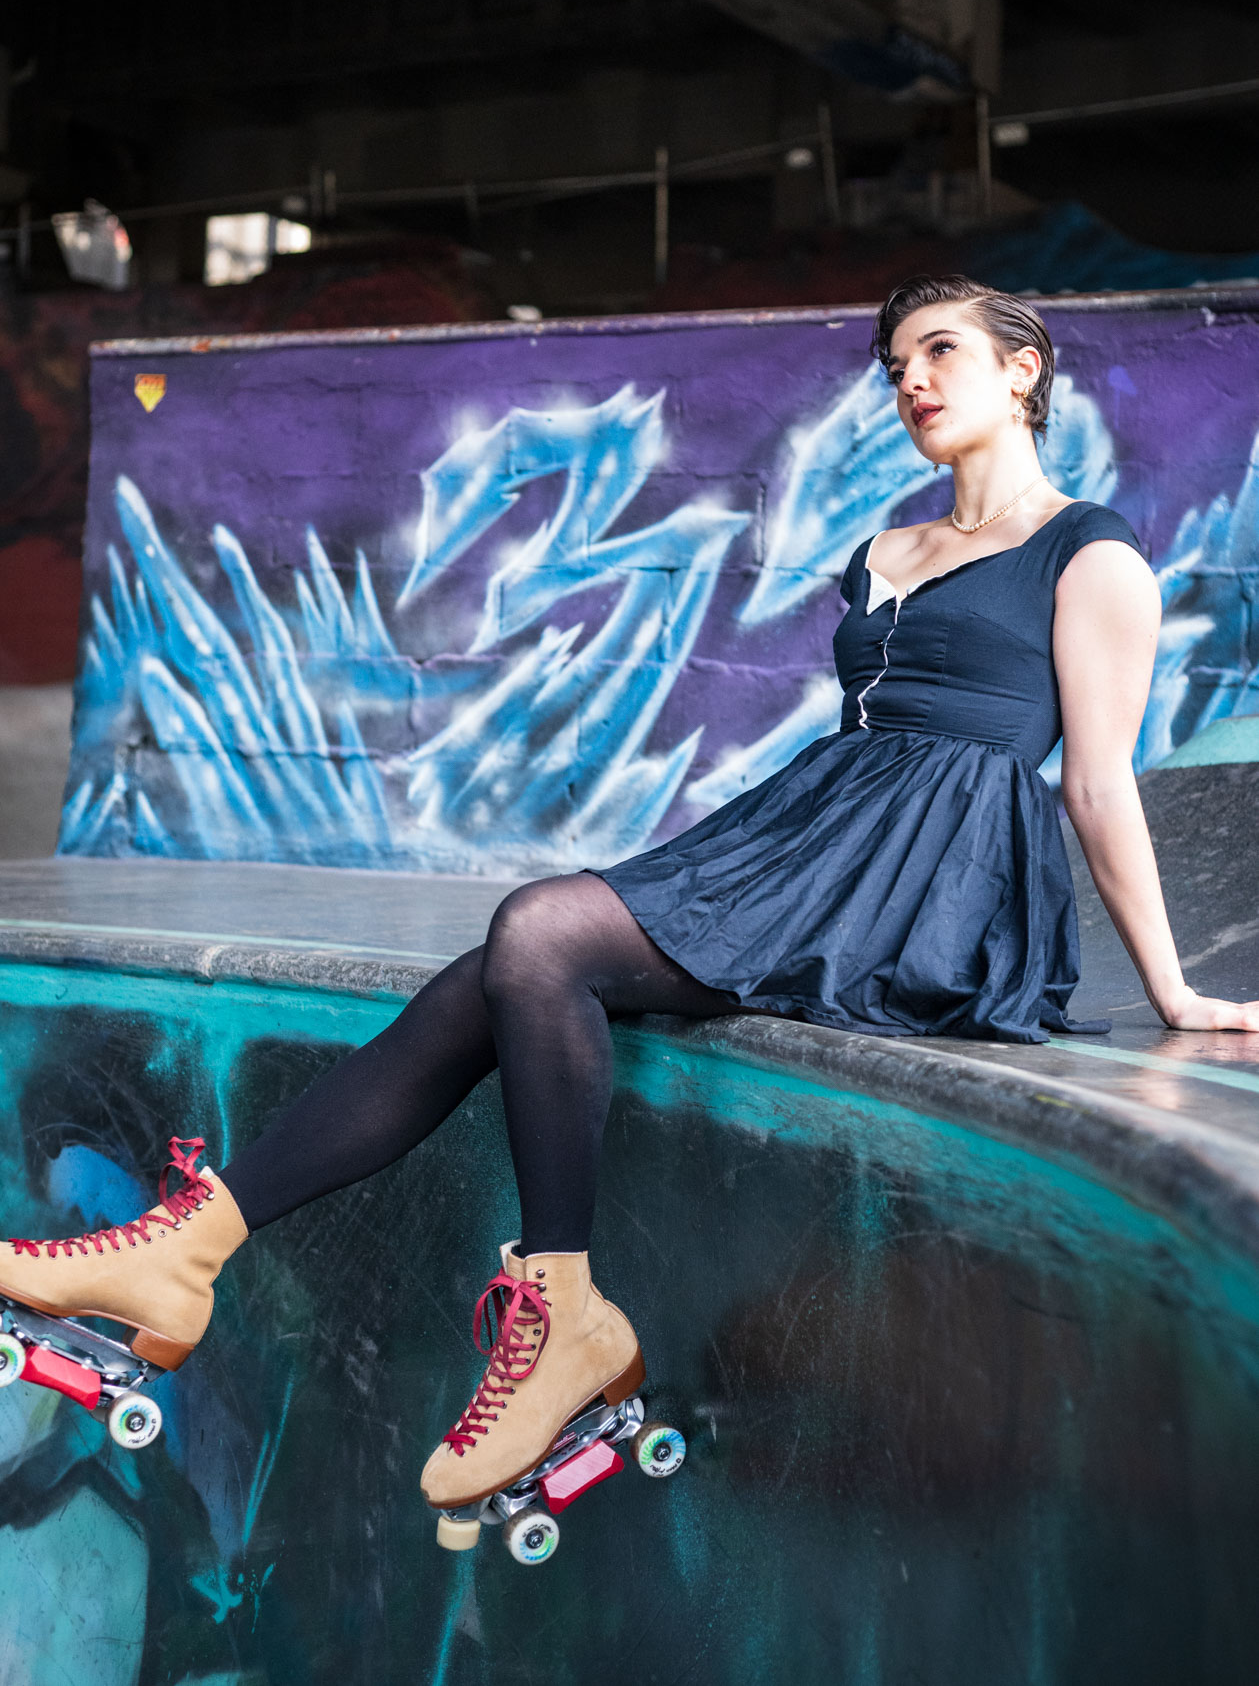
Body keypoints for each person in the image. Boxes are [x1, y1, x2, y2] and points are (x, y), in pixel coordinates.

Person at [4, 276, 1256, 1517]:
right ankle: (191, 1247)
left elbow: (1095, 780)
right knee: (495, 975)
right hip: (813, 831)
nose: (911, 381)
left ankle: (558, 1311)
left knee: (541, 933)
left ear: (1021, 369)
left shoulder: (1089, 555)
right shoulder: (884, 551)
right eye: (893, 366)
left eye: (938, 352)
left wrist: (1170, 985)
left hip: (933, 874)